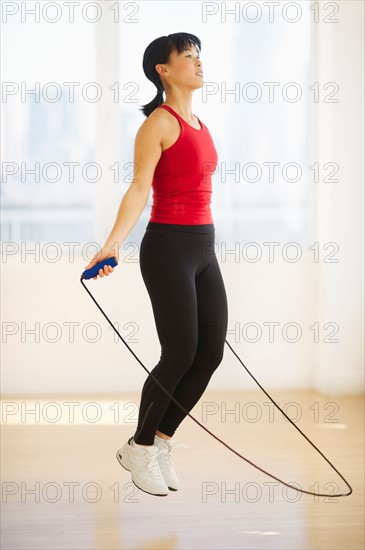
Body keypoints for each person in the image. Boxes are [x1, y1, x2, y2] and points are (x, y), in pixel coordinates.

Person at [83, 32, 228, 497]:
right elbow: (139, 188)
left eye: (199, 56)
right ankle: (140, 445)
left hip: (204, 247)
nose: (198, 63)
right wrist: (113, 244)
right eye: (188, 57)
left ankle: (159, 440)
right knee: (179, 353)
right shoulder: (158, 125)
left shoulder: (200, 124)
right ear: (163, 70)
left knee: (209, 354)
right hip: (168, 247)